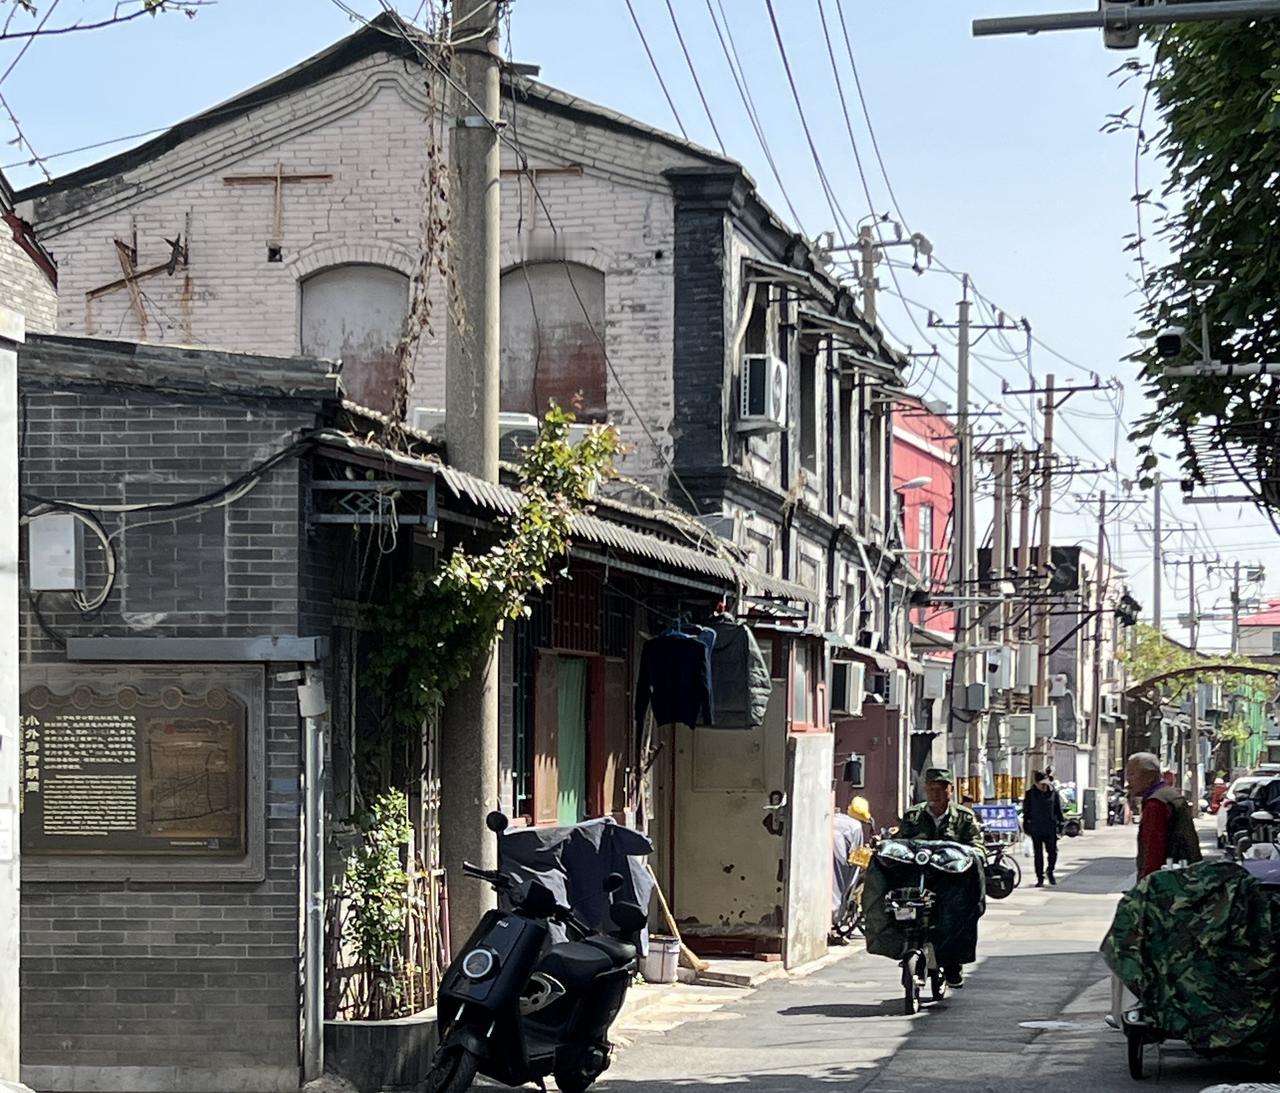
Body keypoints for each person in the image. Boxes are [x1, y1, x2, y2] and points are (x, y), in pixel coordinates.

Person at [898, 768, 986, 988]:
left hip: (952, 882)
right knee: (896, 905)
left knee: (956, 916)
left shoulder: (964, 817)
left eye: (940, 789)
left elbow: (977, 846)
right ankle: (902, 947)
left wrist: (969, 856)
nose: (935, 794)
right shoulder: (913, 816)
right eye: (931, 789)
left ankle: (953, 964)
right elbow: (900, 843)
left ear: (951, 790)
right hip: (919, 879)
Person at [1127, 750, 1202, 879]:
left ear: (1150, 776)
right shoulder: (1169, 795)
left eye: (1132, 774)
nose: (1128, 779)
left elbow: (1154, 850)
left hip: (1168, 879)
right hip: (1186, 874)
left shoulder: (1156, 803)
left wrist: (1147, 882)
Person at [831, 796, 872, 943]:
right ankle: (835, 922)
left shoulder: (835, 818)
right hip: (841, 861)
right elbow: (856, 855)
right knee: (842, 889)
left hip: (826, 857)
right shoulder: (856, 826)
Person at [1022, 770, 1066, 887]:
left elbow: (1058, 810)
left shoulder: (1053, 793)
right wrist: (1026, 826)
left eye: (1046, 783)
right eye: (1041, 784)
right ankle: (1040, 877)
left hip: (1051, 827)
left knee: (1052, 852)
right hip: (1036, 828)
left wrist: (1061, 825)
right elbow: (1026, 812)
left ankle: (1050, 871)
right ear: (1036, 783)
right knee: (1038, 854)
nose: (1044, 786)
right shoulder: (1030, 794)